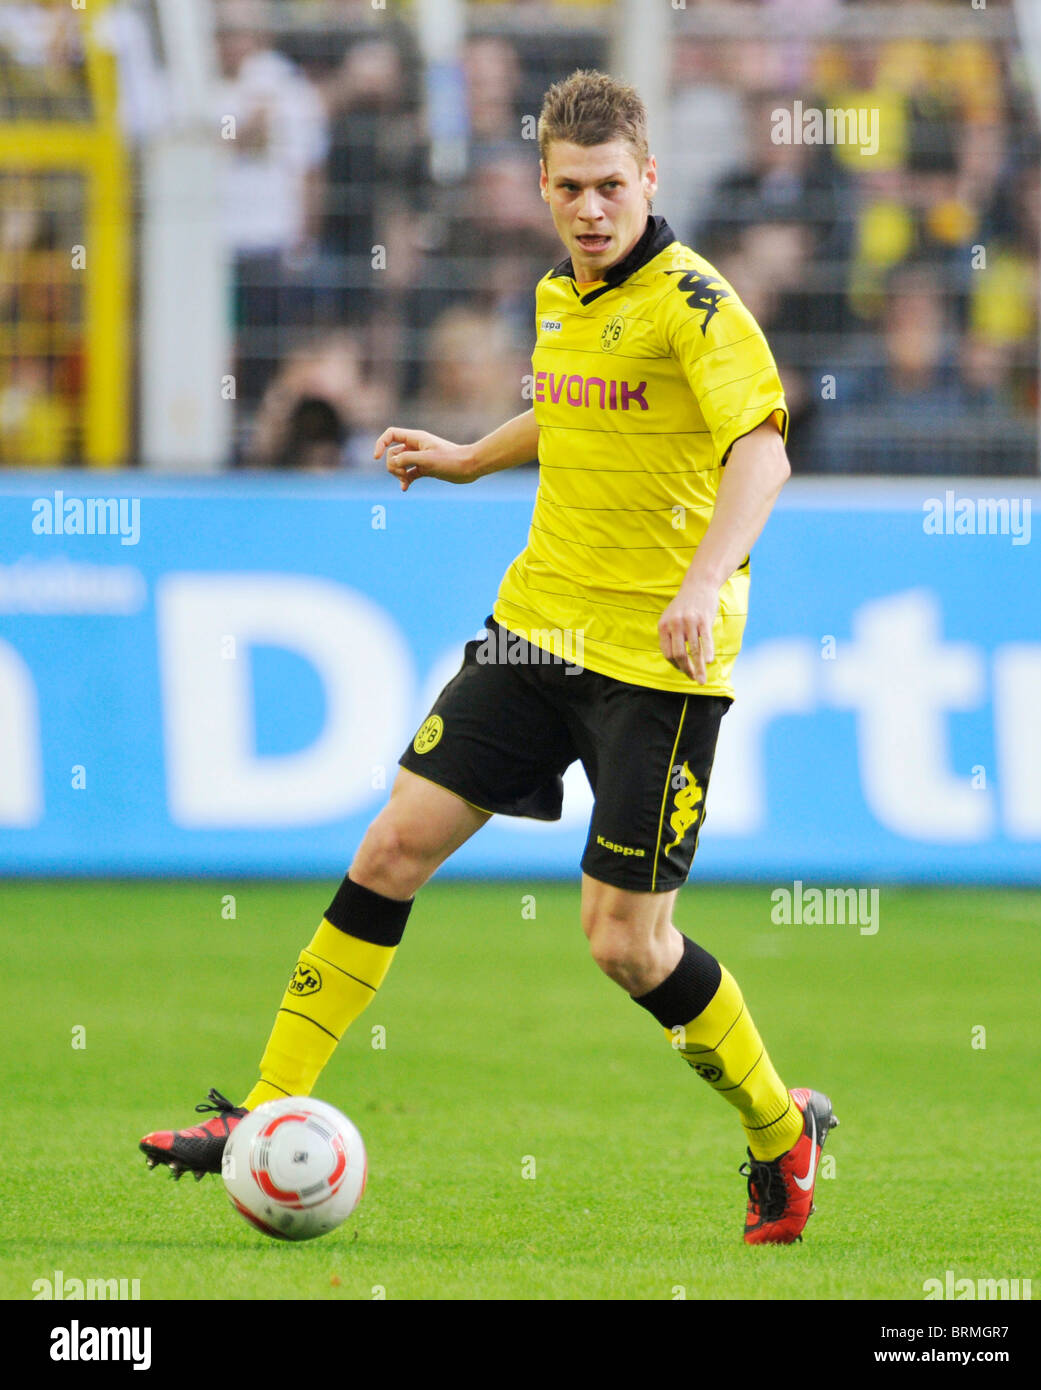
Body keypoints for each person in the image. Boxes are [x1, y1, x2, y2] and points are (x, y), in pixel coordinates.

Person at [140, 70, 837, 1246]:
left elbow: (761, 453)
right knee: (390, 845)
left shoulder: (697, 305)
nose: (591, 209)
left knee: (625, 942)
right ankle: (260, 1110)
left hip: (657, 666)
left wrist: (704, 579)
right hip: (536, 628)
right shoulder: (560, 293)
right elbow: (579, 407)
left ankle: (780, 1128)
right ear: (547, 187)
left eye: (611, 186)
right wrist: (470, 458)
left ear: (649, 178)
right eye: (569, 188)